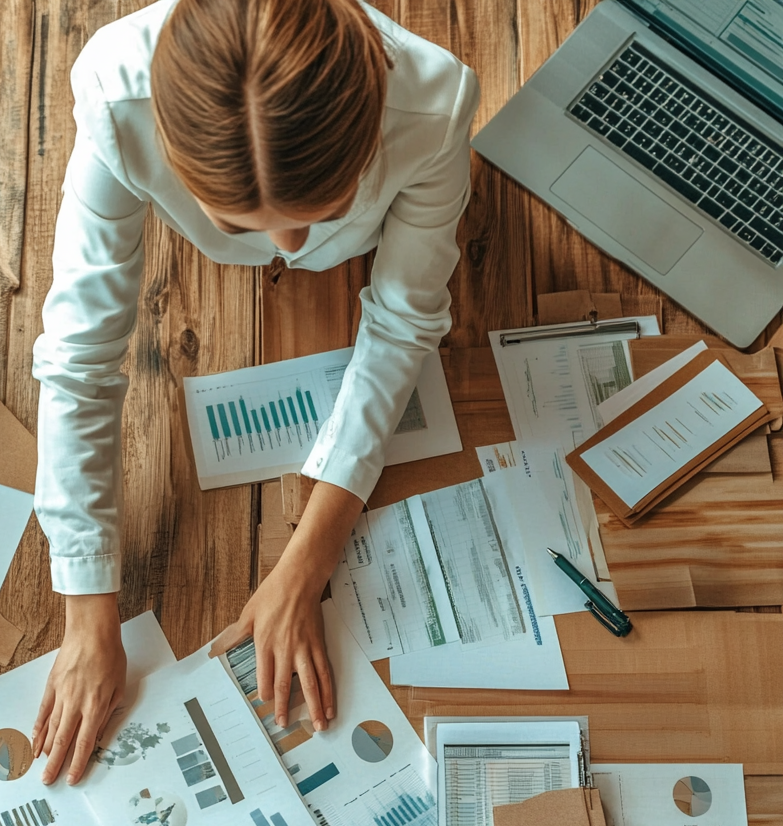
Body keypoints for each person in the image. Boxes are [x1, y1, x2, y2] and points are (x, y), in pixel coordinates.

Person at [31, 0, 479, 785]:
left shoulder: (435, 106)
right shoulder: (112, 93)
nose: (289, 250)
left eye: (328, 212)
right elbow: (80, 354)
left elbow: (406, 322)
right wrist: (87, 614)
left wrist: (308, 561)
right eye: (238, 223)